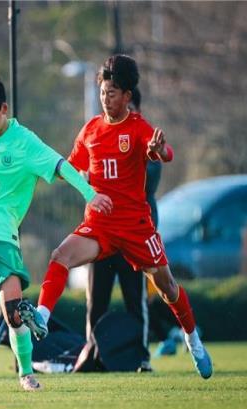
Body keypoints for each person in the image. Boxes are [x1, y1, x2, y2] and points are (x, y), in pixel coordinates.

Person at [20, 55, 213, 379]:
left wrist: (159, 150)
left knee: (167, 288)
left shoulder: (137, 127)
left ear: (127, 96)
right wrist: (42, 169)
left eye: (112, 93)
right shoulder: (91, 130)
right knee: (60, 256)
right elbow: (71, 167)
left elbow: (163, 152)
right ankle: (41, 316)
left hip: (136, 227)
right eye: (102, 92)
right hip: (100, 226)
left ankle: (193, 341)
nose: (105, 99)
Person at [0, 72, 112, 391]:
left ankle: (26, 373)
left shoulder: (26, 142)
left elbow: (60, 166)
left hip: (2, 236)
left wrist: (90, 194)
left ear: (4, 109)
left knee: (14, 312)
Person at [76, 90, 162, 373]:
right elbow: (82, 170)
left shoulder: (145, 142)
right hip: (102, 234)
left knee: (135, 300)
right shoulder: (98, 135)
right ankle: (92, 354)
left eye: (130, 108)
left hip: (132, 236)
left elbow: (145, 182)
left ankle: (142, 356)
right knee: (95, 299)